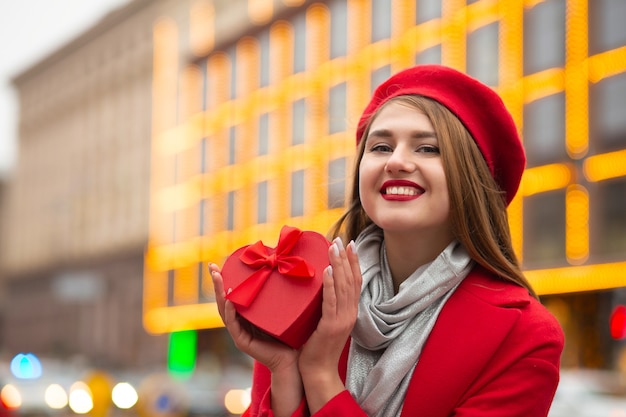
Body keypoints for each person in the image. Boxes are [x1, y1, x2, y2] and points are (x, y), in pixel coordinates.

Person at [209, 64, 564, 417]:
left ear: (470, 177)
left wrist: (319, 374)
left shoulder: (525, 337)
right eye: (380, 147)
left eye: (427, 149)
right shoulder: (297, 295)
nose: (396, 161)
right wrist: (284, 370)